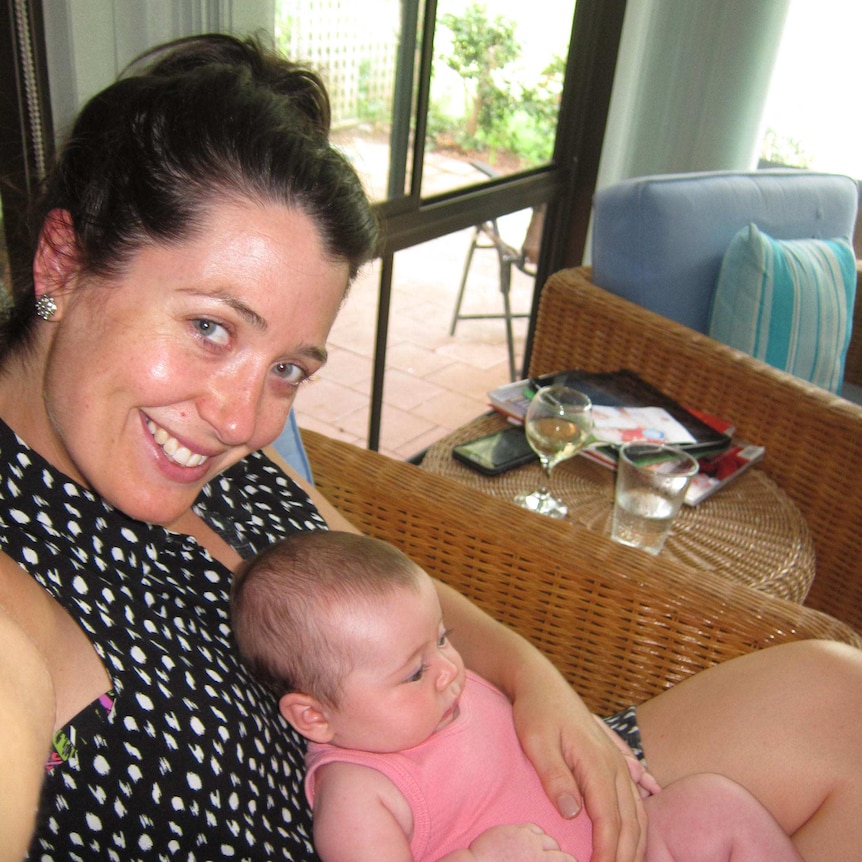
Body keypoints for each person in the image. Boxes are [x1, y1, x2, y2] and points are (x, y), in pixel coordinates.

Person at [0, 29, 860, 862]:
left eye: (289, 368)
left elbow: (410, 593)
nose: (243, 420)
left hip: (499, 786)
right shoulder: (18, 591)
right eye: (210, 328)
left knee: (838, 695)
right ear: (62, 265)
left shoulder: (216, 457)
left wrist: (536, 682)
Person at [231, 529, 804, 862]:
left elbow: (532, 734)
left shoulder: (446, 689)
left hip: (627, 841)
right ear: (314, 716)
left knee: (716, 801)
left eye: (442, 639)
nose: (448, 671)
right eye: (413, 673)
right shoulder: (359, 794)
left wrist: (601, 746)